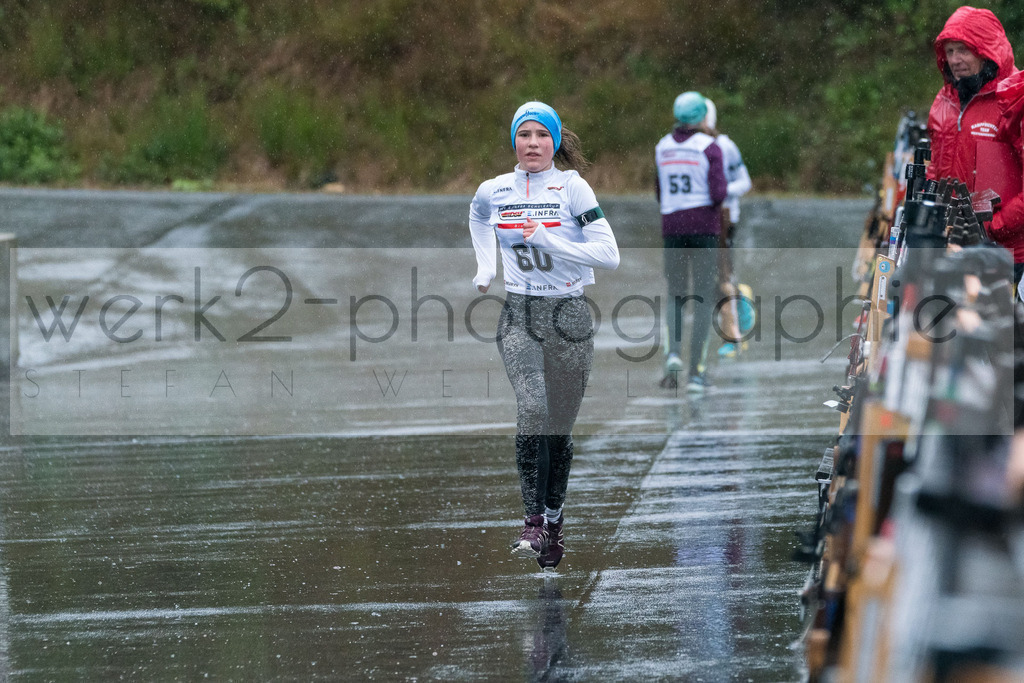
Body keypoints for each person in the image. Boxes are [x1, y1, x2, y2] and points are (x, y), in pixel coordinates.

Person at [469, 101, 619, 569]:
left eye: (541, 135)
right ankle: (532, 521)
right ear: (514, 140)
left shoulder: (573, 188)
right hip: (519, 314)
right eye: (524, 135)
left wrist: (547, 238)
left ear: (554, 141)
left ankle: (554, 519)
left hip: (570, 317)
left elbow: (609, 254)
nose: (532, 143)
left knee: (559, 431)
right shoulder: (495, 190)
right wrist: (485, 266)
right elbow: (477, 216)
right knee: (532, 406)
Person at [656, 91, 727, 391]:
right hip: (703, 227)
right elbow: (719, 193)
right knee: (701, 298)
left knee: (675, 294)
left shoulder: (662, 147)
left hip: (672, 227)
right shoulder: (710, 147)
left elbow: (659, 191)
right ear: (702, 118)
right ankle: (696, 372)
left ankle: (673, 354)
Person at [700, 98, 753, 359]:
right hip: (698, 221)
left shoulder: (725, 146)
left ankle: (733, 333)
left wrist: (719, 193)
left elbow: (744, 182)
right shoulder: (687, 147)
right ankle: (739, 301)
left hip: (724, 219)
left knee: (720, 278)